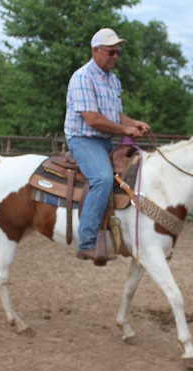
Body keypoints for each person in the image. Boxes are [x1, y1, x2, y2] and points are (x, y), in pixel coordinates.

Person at [64, 28, 150, 264]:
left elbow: (115, 115)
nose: (114, 56)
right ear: (96, 51)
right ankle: (87, 242)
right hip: (83, 139)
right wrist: (126, 131)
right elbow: (92, 119)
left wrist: (134, 124)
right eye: (110, 52)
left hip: (103, 140)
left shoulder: (113, 80)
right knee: (102, 178)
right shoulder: (82, 77)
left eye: (117, 52)